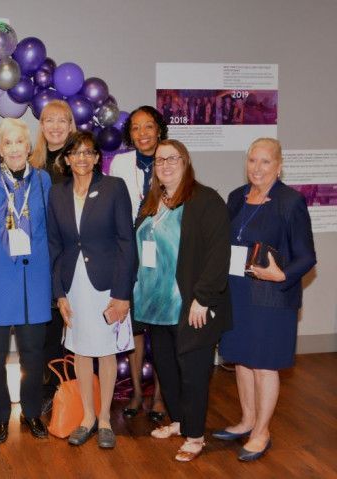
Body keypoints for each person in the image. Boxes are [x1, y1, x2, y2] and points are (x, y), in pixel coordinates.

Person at [215, 138, 316, 461]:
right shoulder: (236, 197)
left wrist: (282, 275)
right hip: (238, 293)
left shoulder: (290, 202)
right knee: (243, 360)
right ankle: (247, 420)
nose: (257, 169)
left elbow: (306, 256)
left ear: (279, 165)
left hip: (271, 298)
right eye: (252, 161)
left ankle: (262, 431)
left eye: (265, 162)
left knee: (264, 365)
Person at [133, 139, 231, 462]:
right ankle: (179, 421)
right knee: (167, 367)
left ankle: (195, 434)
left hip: (191, 305)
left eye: (172, 159)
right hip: (156, 306)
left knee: (193, 370)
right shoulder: (153, 202)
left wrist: (203, 297)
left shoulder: (206, 200)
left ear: (185, 161)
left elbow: (219, 253)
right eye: (160, 160)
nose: (165, 165)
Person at [48, 131, 136, 448]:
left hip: (107, 284)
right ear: (66, 158)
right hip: (74, 284)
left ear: (97, 157)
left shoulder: (113, 188)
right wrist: (59, 293)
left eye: (89, 152)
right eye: (76, 152)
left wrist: (122, 293)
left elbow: (127, 242)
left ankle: (105, 419)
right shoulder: (57, 193)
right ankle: (86, 416)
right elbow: (54, 245)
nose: (82, 158)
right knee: (81, 349)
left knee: (106, 350)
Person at [0, 119, 52, 444]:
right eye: (8, 143)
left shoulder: (45, 181)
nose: (15, 148)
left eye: (20, 142)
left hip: (33, 281)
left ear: (29, 146)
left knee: (33, 355)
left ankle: (31, 412)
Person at [109, 106, 169, 422]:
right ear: (129, 134)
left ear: (159, 129)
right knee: (134, 329)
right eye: (135, 128)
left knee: (159, 329)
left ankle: (159, 396)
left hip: (164, 257)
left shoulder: (172, 159)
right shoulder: (120, 163)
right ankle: (134, 392)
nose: (142, 133)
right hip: (130, 253)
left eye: (148, 126)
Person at [30, 100, 76, 412]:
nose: (55, 126)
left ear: (71, 125)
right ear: (42, 126)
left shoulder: (80, 162)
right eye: (49, 120)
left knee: (74, 327)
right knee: (46, 330)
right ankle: (47, 391)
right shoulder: (32, 166)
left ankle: (73, 393)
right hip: (41, 261)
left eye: (62, 121)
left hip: (72, 257)